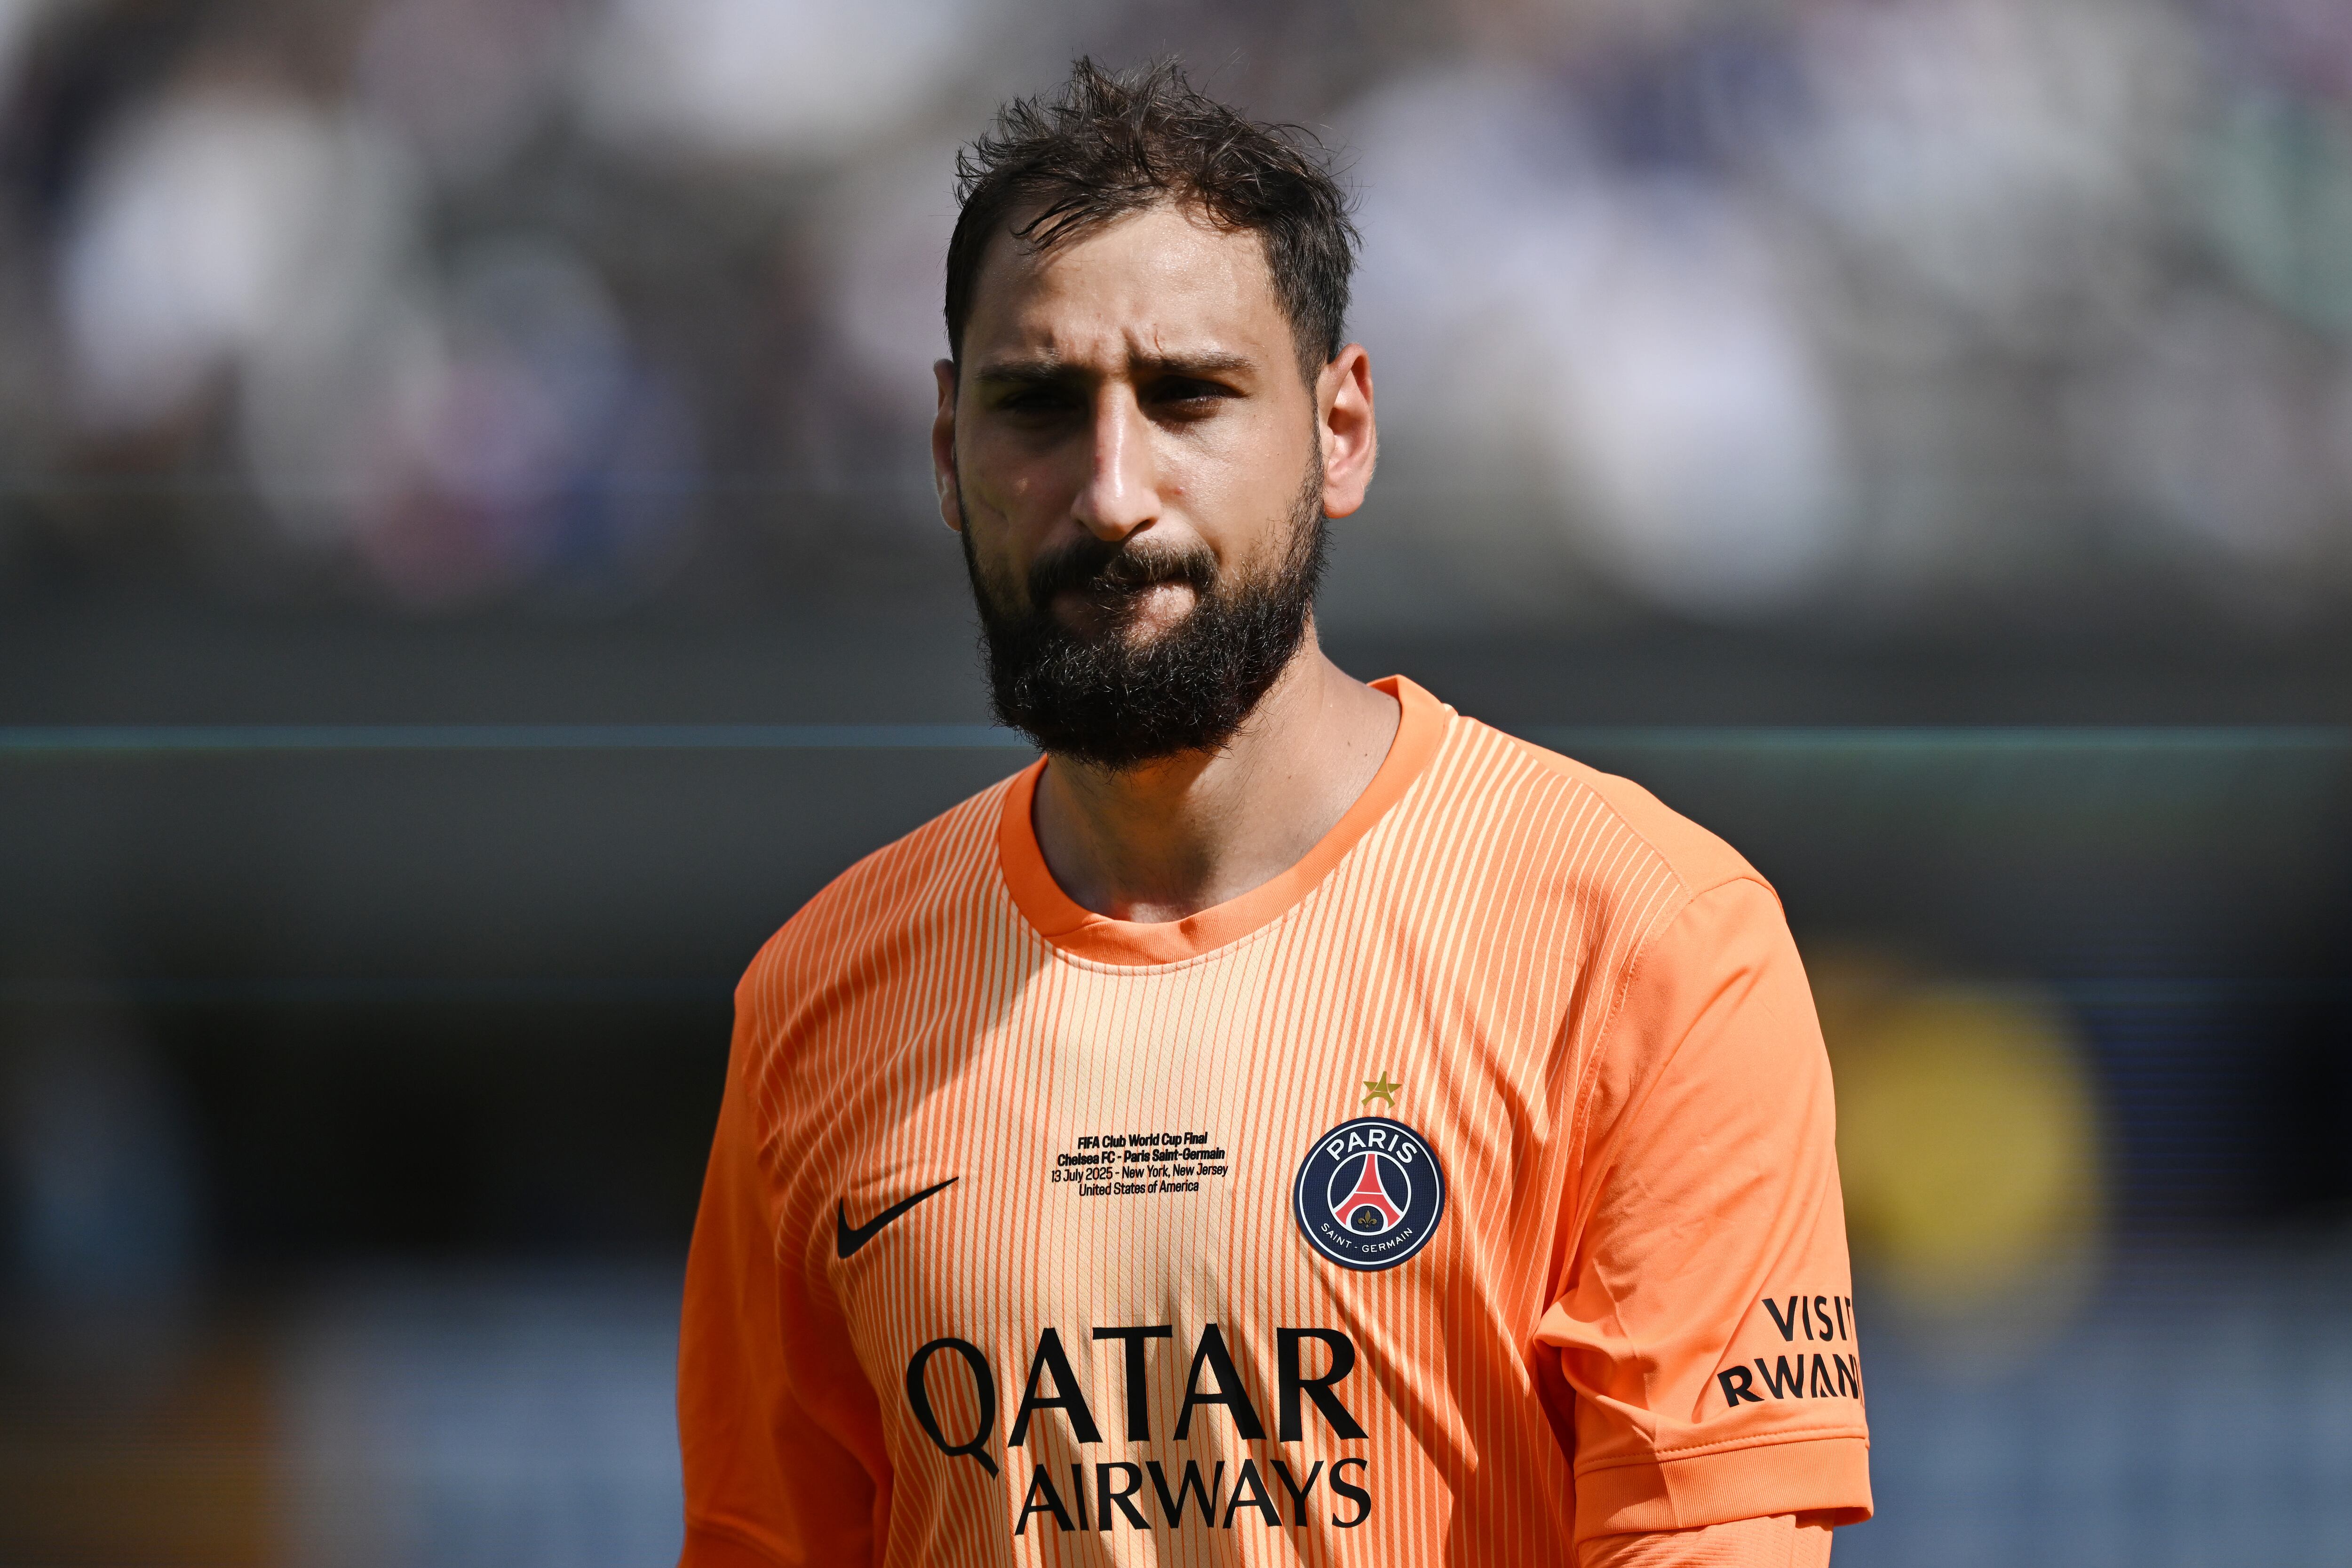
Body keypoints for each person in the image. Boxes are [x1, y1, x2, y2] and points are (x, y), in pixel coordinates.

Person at [676, 58, 1870, 1568]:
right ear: (942, 452)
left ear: (1341, 431)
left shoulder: (1645, 939)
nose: (1113, 492)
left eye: (1190, 398)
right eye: (1037, 406)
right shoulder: (816, 1000)